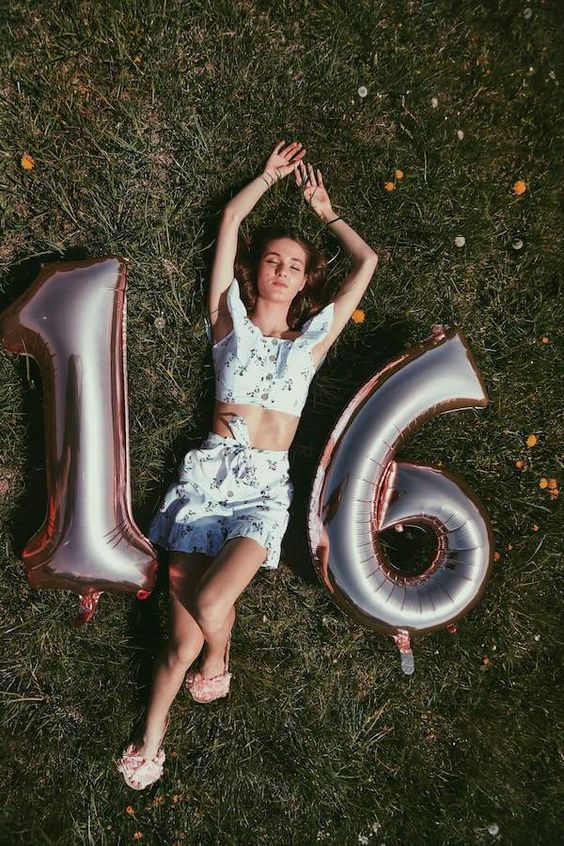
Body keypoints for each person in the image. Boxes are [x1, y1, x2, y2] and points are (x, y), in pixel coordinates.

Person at [117, 140, 378, 789]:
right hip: (205, 483)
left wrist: (328, 211)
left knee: (211, 599)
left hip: (262, 491)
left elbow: (368, 262)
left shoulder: (313, 339)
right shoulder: (227, 319)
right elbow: (230, 224)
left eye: (295, 264)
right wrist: (265, 178)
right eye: (273, 260)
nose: (284, 270)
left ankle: (220, 649)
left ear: (305, 279)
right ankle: (153, 739)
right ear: (255, 271)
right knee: (178, 647)